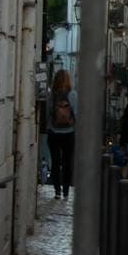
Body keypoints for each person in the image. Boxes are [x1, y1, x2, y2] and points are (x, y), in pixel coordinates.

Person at [45, 68, 76, 199]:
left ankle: (57, 191)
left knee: (55, 162)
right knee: (67, 162)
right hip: (69, 133)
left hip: (53, 132)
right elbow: (77, 113)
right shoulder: (73, 94)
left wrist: (47, 127)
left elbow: (47, 113)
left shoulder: (51, 94)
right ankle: (66, 191)